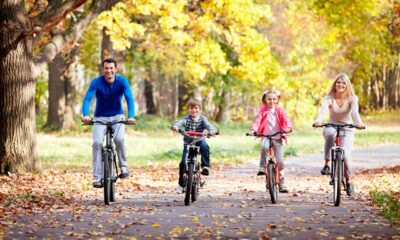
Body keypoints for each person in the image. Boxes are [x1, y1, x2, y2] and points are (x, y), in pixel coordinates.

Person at [82, 58, 136, 188]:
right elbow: (87, 99)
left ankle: (123, 166)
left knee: (120, 139)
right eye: (106, 68)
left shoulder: (122, 81)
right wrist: (86, 115)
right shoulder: (96, 82)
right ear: (103, 69)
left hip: (117, 117)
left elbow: (129, 97)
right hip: (100, 117)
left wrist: (131, 116)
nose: (109, 71)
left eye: (111, 68)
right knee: (97, 143)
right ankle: (97, 177)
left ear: (115, 69)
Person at [313, 73, 365, 196]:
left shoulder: (353, 99)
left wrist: (359, 123)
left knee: (345, 154)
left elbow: (355, 113)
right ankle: (327, 164)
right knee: (330, 133)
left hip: (347, 128)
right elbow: (324, 110)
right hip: (332, 126)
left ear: (347, 86)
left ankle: (348, 181)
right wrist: (318, 120)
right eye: (338, 82)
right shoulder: (329, 98)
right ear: (335, 84)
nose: (340, 85)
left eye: (343, 83)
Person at [248, 90, 292, 193]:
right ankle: (262, 167)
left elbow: (286, 120)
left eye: (274, 99)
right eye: (269, 99)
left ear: (277, 100)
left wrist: (288, 127)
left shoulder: (280, 111)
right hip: (266, 136)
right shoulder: (262, 110)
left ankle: (282, 183)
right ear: (264, 100)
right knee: (264, 147)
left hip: (277, 137)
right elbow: (257, 121)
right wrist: (253, 130)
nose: (271, 101)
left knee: (280, 162)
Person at [171, 98, 216, 194]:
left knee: (205, 146)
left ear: (199, 109)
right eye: (191, 108)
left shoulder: (202, 119)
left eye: (196, 108)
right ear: (188, 109)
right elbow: (181, 122)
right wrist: (176, 126)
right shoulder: (186, 119)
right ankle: (181, 184)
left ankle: (205, 166)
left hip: (199, 140)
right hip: (188, 142)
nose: (194, 110)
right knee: (183, 163)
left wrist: (211, 131)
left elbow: (208, 125)